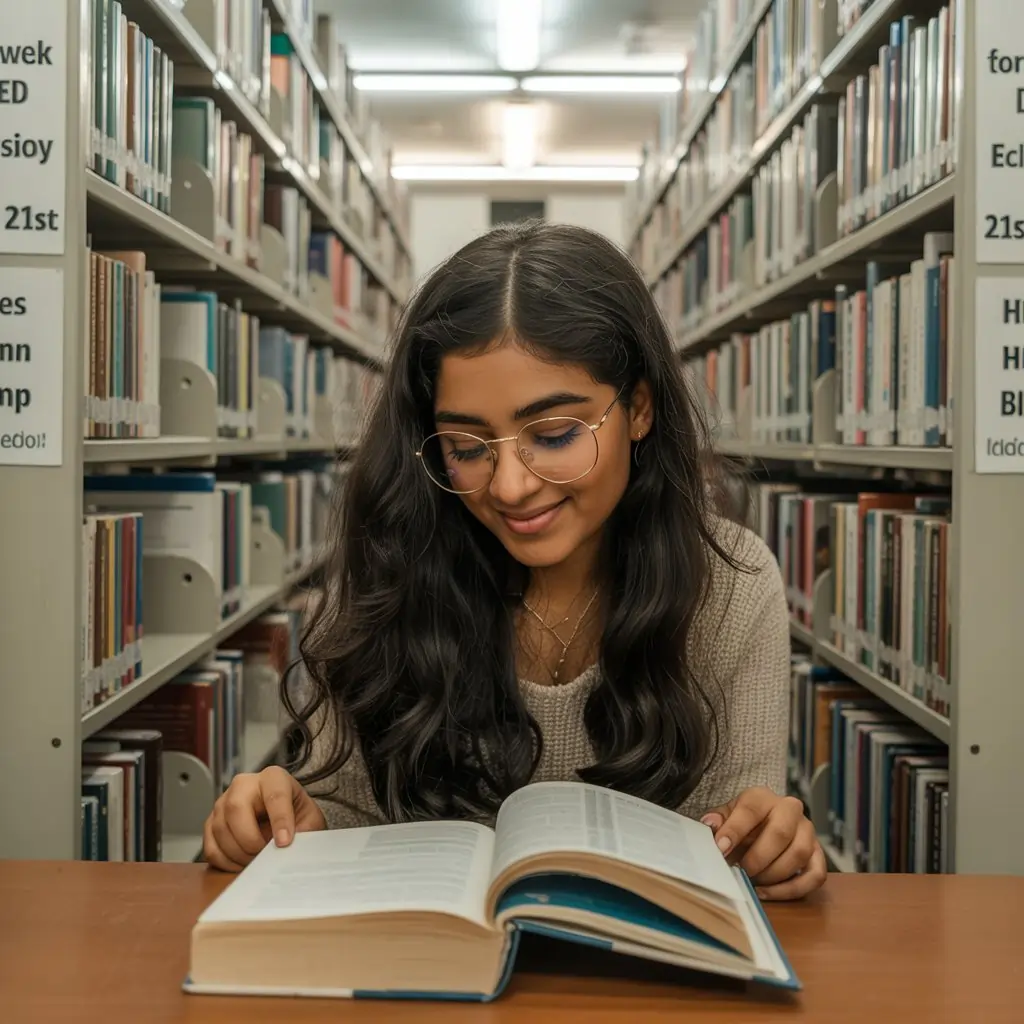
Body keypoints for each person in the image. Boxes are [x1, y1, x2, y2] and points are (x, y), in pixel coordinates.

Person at [204, 220, 827, 900]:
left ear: (640, 409)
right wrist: (290, 819)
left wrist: (770, 843)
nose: (509, 487)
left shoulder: (731, 586)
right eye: (466, 448)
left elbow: (740, 842)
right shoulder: (391, 567)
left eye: (554, 435)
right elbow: (343, 811)